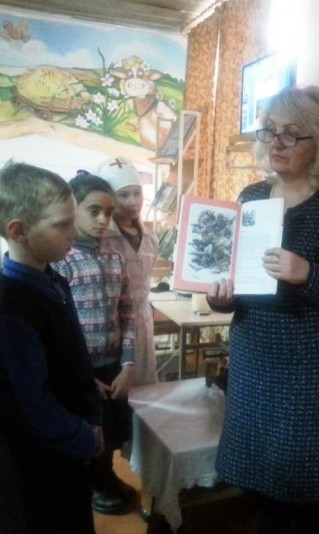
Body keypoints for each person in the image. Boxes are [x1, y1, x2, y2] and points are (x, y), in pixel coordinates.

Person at [207, 86, 319, 533]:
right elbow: (237, 282)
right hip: (254, 366)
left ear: (317, 141)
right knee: (259, 490)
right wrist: (220, 298)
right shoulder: (250, 197)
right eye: (270, 131)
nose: (276, 142)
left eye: (291, 133)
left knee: (306, 500)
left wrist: (308, 273)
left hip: (312, 378)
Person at [0, 161, 104, 533]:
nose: (74, 232)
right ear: (18, 230)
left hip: (69, 444)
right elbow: (29, 400)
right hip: (40, 459)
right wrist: (82, 438)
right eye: (62, 224)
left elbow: (65, 354)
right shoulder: (10, 305)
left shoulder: (54, 279)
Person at [52, 172, 138, 515]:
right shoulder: (61, 262)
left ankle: (106, 475)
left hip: (113, 366)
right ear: (73, 209)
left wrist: (128, 364)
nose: (103, 220)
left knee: (113, 428)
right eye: (93, 211)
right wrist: (84, 375)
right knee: (89, 429)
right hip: (80, 371)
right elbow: (59, 329)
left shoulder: (115, 259)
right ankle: (89, 483)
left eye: (109, 212)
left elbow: (128, 312)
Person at [98, 156, 159, 386]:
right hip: (114, 325)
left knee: (146, 384)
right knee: (119, 387)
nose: (133, 201)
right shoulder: (102, 239)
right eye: (123, 195)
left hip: (143, 318)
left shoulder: (150, 237)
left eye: (137, 193)